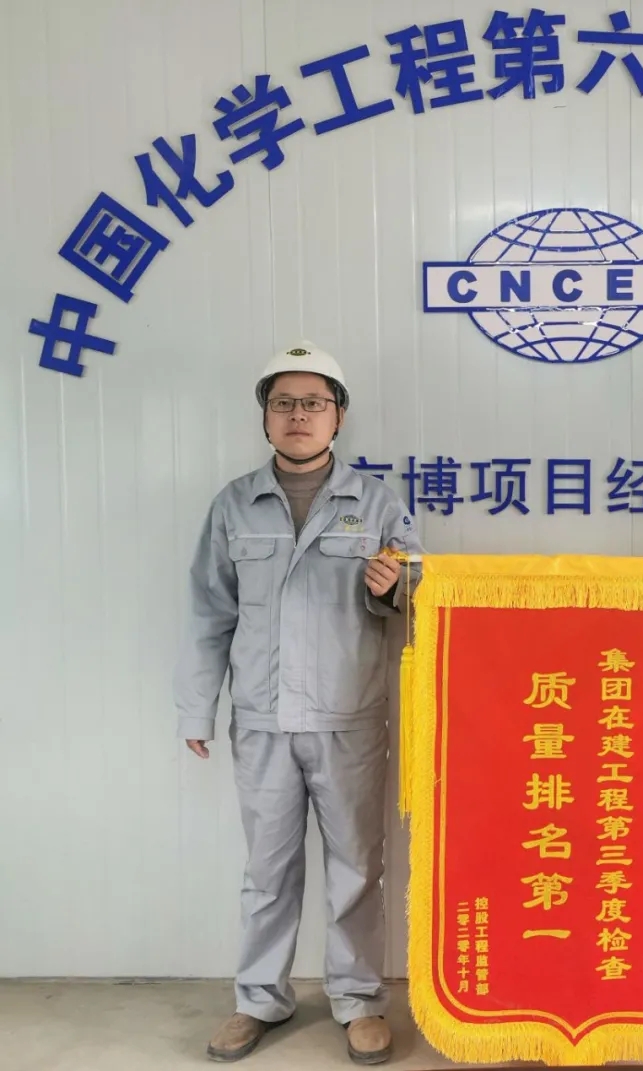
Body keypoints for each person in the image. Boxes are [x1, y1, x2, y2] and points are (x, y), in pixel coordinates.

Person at [174, 342, 421, 1064]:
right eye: (283, 402)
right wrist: (197, 710)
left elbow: (422, 596)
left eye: (314, 402)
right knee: (268, 870)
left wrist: (397, 586)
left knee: (357, 867)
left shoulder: (376, 503)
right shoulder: (234, 504)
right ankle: (259, 998)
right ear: (265, 417)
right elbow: (208, 613)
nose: (298, 415)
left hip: (351, 718)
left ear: (339, 416)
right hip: (262, 719)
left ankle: (359, 999)